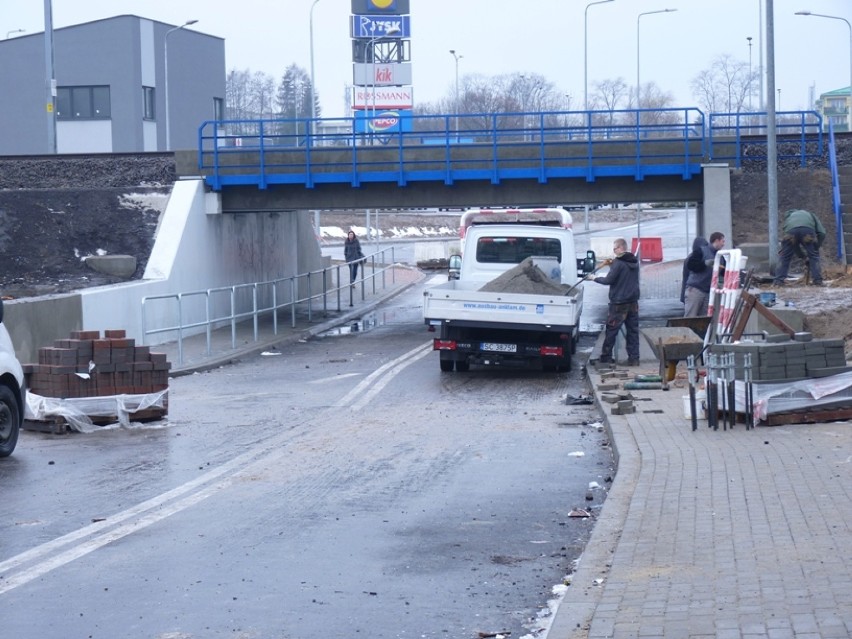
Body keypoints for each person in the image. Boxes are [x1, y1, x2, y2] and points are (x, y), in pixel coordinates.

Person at [587, 238, 641, 365]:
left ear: (621, 248)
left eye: (615, 248)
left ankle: (605, 357)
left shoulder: (618, 263)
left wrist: (594, 278)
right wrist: (613, 265)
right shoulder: (634, 262)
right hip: (633, 302)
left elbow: (609, 280)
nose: (613, 251)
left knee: (611, 330)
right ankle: (634, 358)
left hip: (619, 303)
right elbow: (624, 273)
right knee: (633, 331)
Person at [773, 208, 826, 287]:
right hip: (807, 231)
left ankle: (778, 281)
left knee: (784, 257)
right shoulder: (810, 214)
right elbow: (822, 233)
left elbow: (794, 245)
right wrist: (816, 247)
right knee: (814, 257)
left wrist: (803, 256)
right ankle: (818, 281)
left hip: (790, 232)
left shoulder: (789, 218)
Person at [683, 232, 726, 317]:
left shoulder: (720, 257)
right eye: (723, 241)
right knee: (690, 317)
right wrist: (704, 264)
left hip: (708, 292)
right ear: (717, 241)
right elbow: (691, 265)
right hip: (695, 290)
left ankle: (701, 331)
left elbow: (725, 271)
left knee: (704, 321)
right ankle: (687, 330)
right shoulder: (701, 251)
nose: (723, 244)